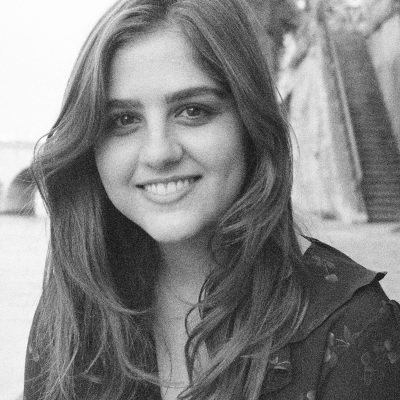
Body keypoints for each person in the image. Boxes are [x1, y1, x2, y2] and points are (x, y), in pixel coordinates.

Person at [24, 0, 400, 399]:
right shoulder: (71, 313)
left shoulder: (353, 329)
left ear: (249, 123)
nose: (157, 153)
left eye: (192, 110)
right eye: (123, 120)